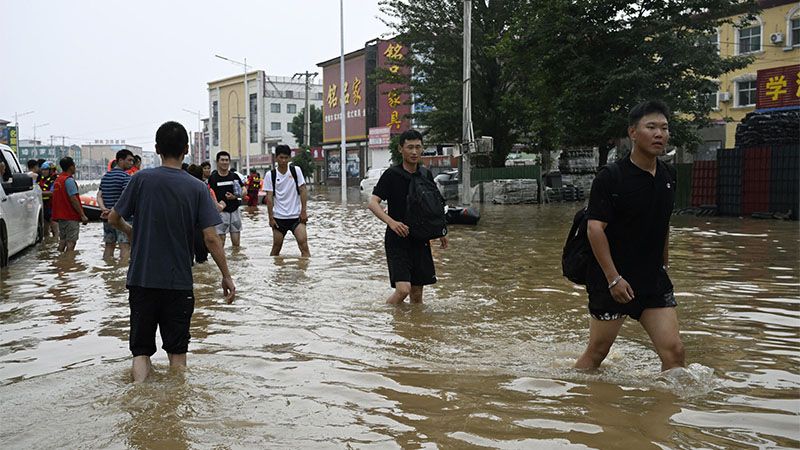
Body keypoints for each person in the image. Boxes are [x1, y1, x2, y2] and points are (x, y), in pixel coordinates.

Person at [108, 121, 235, 383]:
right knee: (177, 354)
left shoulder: (140, 179)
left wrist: (131, 232)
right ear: (186, 149)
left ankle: (139, 397)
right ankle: (175, 404)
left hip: (142, 280)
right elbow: (211, 238)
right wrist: (226, 275)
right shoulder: (197, 187)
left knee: (141, 352)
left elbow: (113, 218)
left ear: (157, 149)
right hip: (178, 283)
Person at [575, 100, 684, 372]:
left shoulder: (668, 175)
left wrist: (664, 263)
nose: (659, 134)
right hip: (611, 278)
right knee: (598, 352)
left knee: (674, 352)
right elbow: (594, 228)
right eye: (651, 127)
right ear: (633, 133)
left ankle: (667, 400)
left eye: (664, 128)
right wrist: (613, 278)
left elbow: (662, 222)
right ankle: (573, 389)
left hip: (651, 278)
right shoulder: (611, 177)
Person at [367, 129, 448, 305]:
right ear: (400, 149)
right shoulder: (391, 175)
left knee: (417, 294)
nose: (414, 152)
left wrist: (440, 230)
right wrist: (392, 222)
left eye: (418, 147)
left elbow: (433, 205)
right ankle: (386, 316)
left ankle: (413, 322)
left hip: (421, 239)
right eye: (410, 147)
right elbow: (373, 203)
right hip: (397, 239)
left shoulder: (425, 174)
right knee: (403, 290)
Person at [265, 145, 310, 257]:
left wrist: (304, 211)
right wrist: (270, 218)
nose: (284, 160)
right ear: (276, 158)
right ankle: (273, 268)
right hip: (279, 218)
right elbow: (269, 198)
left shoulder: (296, 171)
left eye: (286, 158)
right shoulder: (270, 175)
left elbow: (303, 190)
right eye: (281, 157)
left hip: (296, 217)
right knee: (276, 248)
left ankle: (306, 267)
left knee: (304, 245)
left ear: (289, 158)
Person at [97, 149, 135, 260]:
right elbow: (125, 197)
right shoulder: (126, 177)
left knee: (109, 245)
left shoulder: (105, 177)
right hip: (122, 218)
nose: (132, 163)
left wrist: (104, 209)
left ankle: (108, 268)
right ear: (120, 160)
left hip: (107, 217)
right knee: (125, 246)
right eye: (129, 160)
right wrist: (115, 210)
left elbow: (99, 196)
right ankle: (122, 270)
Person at [187, 163, 224, 263]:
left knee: (189, 262)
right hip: (201, 228)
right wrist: (222, 205)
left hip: (186, 229)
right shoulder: (205, 188)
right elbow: (216, 208)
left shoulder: (182, 189)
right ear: (201, 174)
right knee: (202, 261)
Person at [51, 157, 89, 252]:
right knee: (71, 242)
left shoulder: (58, 180)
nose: (75, 168)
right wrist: (82, 215)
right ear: (71, 167)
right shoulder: (69, 180)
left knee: (62, 240)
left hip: (60, 217)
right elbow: (73, 199)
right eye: (74, 166)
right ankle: (69, 259)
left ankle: (60, 259)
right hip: (70, 216)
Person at [208, 151, 243, 247]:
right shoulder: (213, 178)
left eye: (227, 160)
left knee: (236, 244)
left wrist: (235, 196)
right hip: (220, 213)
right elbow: (209, 194)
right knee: (220, 242)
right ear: (217, 162)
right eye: (222, 160)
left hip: (235, 211)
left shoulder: (234, 176)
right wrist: (217, 205)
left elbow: (244, 191)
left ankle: (235, 257)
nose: (225, 162)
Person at [37, 161, 58, 237]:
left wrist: (39, 192)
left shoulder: (55, 180)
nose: (44, 172)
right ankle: (48, 243)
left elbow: (52, 193)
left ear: (50, 170)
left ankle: (55, 243)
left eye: (46, 170)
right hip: (43, 206)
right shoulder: (40, 179)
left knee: (55, 232)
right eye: (42, 170)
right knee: (45, 233)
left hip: (52, 207)